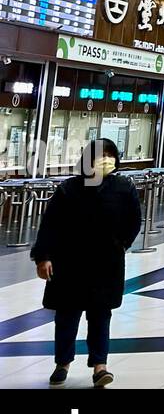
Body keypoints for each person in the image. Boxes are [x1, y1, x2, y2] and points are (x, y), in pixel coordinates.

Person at [31, 139, 142, 388]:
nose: (105, 160)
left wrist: (120, 244)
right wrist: (43, 256)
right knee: (67, 314)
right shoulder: (69, 189)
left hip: (106, 263)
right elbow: (50, 225)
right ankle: (63, 363)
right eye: (99, 155)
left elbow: (134, 221)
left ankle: (100, 366)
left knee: (101, 314)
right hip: (70, 262)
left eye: (109, 155)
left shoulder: (124, 187)